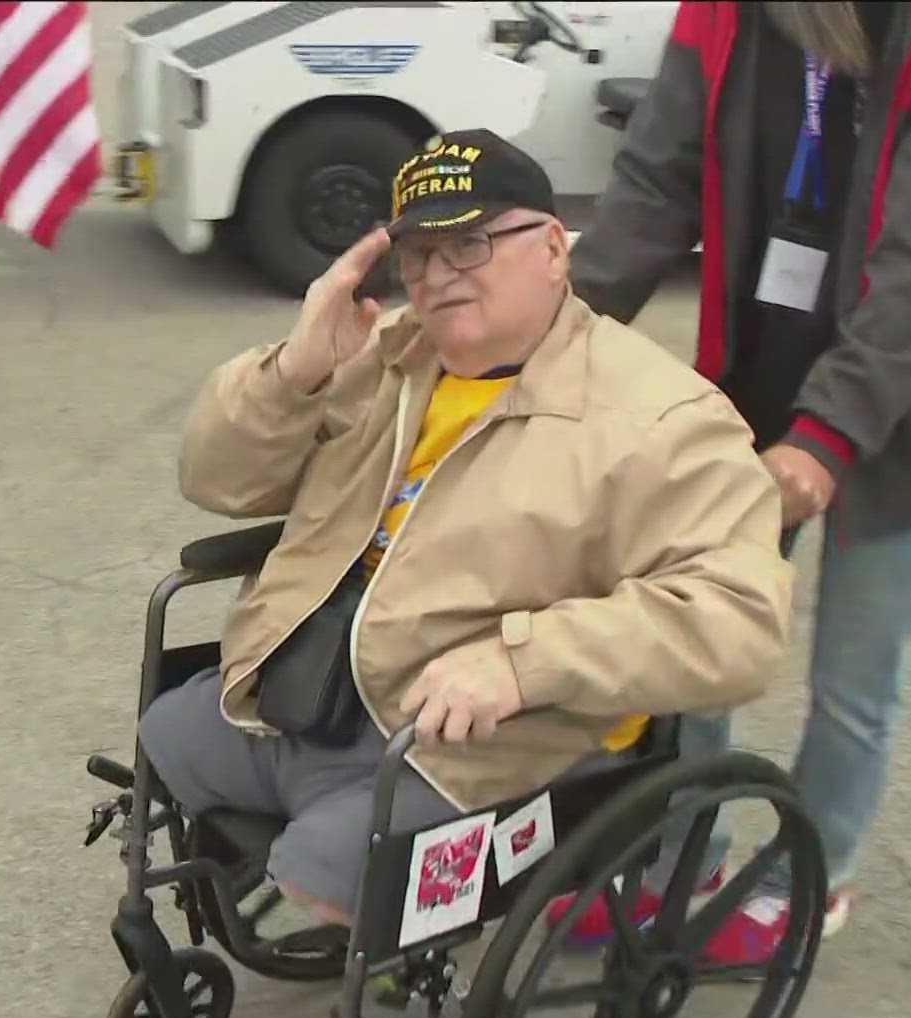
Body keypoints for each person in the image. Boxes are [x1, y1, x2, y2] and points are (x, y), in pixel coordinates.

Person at [137, 128, 796, 931]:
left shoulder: (663, 416)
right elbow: (218, 481)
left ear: (553, 247)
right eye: (417, 257)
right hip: (311, 685)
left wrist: (525, 660)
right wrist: (295, 371)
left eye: (471, 245)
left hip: (475, 748)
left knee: (324, 869)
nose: (438, 278)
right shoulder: (381, 357)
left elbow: (739, 620)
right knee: (164, 734)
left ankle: (399, 986)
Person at [553, 1, 911, 963]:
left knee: (854, 682)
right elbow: (657, 179)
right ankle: (675, 857)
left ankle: (809, 882)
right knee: (688, 636)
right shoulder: (730, 10)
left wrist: (827, 438)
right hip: (760, 374)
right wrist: (542, 338)